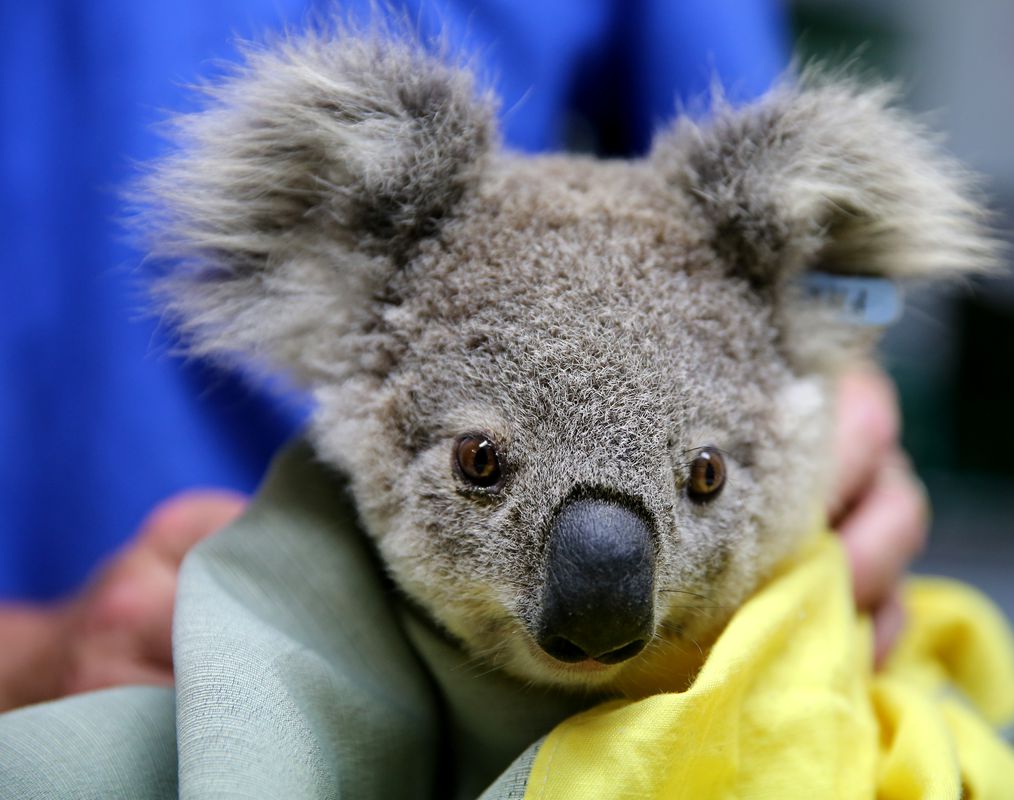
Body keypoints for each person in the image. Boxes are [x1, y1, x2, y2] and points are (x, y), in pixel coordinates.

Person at [0, 0, 927, 711]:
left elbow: (800, 289)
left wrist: (839, 484)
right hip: (174, 653)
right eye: (482, 466)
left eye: (706, 475)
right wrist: (25, 667)